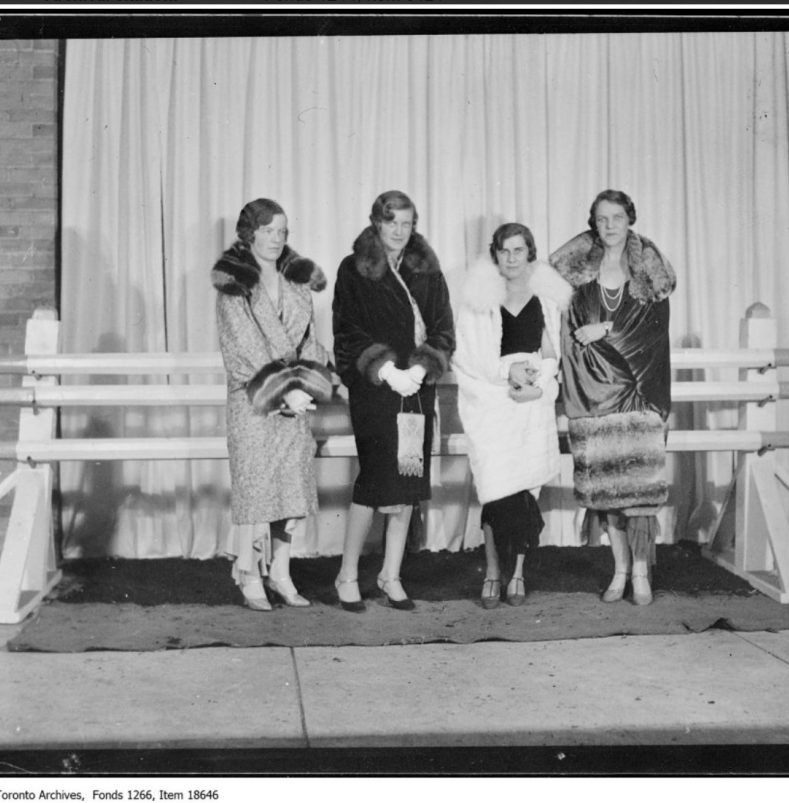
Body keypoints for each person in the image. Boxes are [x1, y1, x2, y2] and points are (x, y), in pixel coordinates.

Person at [550, 189, 676, 605]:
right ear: (594, 223)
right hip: (594, 393)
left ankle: (641, 572)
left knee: (638, 492)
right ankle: (619, 568)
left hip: (638, 392)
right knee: (608, 491)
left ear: (629, 220)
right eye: (602, 218)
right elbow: (569, 332)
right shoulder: (579, 274)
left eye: (617, 217)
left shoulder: (647, 270)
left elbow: (655, 334)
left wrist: (607, 330)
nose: (609, 226)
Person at [332, 190, 455, 612]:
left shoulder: (428, 269)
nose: (399, 232)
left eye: (406, 223)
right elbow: (347, 333)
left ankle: (391, 574)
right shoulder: (354, 269)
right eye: (391, 223)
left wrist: (420, 369)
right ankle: (347, 574)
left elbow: (443, 330)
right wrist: (387, 371)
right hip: (375, 389)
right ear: (376, 223)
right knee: (373, 481)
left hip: (417, 390)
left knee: (407, 481)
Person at [212, 198, 333, 611]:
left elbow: (309, 341)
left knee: (291, 491)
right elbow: (242, 347)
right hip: (253, 402)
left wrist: (306, 388)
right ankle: (249, 574)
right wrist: (284, 391)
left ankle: (280, 573)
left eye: (283, 231)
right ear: (249, 234)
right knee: (257, 490)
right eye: (268, 230)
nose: (277, 239)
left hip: (295, 402)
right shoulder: (234, 284)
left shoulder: (297, 282)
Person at [452, 223, 573, 608]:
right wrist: (507, 374)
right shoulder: (479, 298)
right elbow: (467, 355)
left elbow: (552, 353)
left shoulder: (545, 296)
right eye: (504, 251)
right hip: (493, 401)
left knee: (523, 490)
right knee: (495, 486)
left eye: (519, 251)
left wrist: (541, 382)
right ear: (495, 254)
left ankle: (517, 573)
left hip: (530, 402)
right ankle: (491, 572)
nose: (511, 259)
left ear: (530, 253)